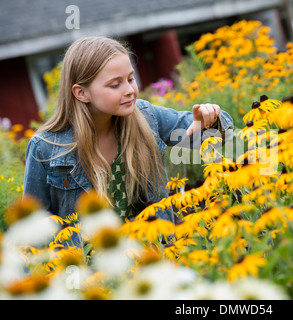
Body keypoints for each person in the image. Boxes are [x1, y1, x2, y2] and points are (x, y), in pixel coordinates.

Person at [23, 36, 233, 224]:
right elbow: (33, 228)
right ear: (81, 93)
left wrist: (209, 121)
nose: (130, 91)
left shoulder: (146, 116)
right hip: (91, 263)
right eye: (115, 85)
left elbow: (222, 133)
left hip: (157, 254)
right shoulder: (46, 148)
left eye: (130, 79)